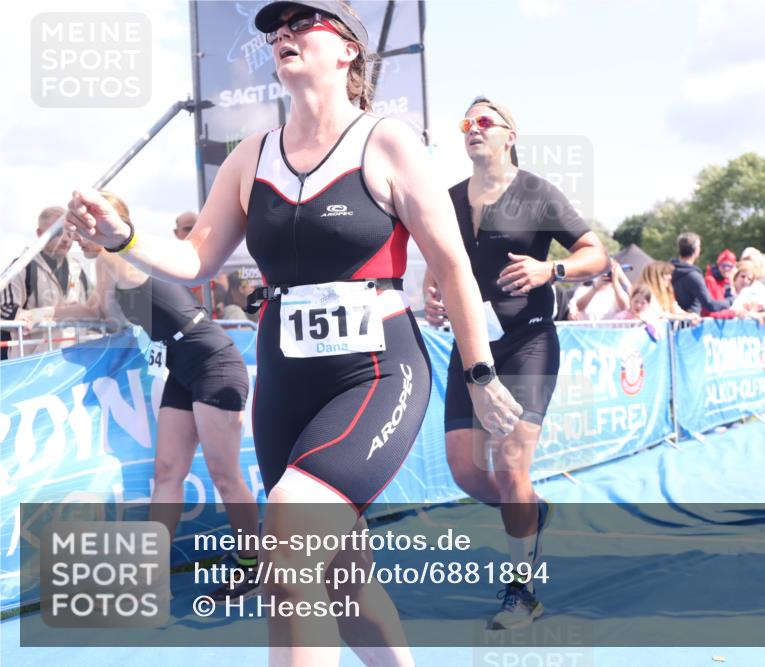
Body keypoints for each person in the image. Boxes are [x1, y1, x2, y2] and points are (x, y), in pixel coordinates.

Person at [66, 3, 522, 665]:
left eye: (301, 24)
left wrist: (479, 373)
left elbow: (452, 264)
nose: (283, 35)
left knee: (287, 538)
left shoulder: (388, 141)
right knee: (342, 582)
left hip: (374, 374)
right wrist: (124, 238)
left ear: (347, 53)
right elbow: (197, 259)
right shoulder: (251, 156)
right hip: (285, 383)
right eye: (275, 30)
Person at [423, 96, 608, 630]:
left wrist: (552, 271)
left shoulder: (538, 192)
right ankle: (531, 508)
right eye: (467, 123)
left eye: (485, 122)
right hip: (472, 348)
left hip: (527, 343)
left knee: (510, 466)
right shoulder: (448, 198)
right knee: (466, 473)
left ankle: (522, 592)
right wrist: (431, 291)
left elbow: (596, 254)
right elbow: (439, 263)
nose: (473, 129)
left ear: (510, 134)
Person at [58, 192, 260, 600]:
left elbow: (101, 312)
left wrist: (41, 316)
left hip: (213, 363)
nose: (76, 238)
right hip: (182, 370)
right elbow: (105, 312)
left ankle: (251, 565)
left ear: (104, 222)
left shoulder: (115, 257)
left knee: (225, 475)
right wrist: (41, 316)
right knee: (167, 473)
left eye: (80, 228)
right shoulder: (113, 260)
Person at [1, 206, 91, 358]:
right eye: (57, 232)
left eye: (69, 232)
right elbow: (4, 308)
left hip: (72, 365)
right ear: (40, 234)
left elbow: (89, 311)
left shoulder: (78, 269)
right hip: (32, 367)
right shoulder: (21, 266)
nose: (65, 238)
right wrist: (27, 316)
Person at [671, 232, 732, 315]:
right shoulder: (693, 276)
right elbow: (710, 304)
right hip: (691, 322)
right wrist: (730, 301)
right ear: (696, 250)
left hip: (674, 321)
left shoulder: (669, 270)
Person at [565, 258, 630, 320]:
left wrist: (615, 280)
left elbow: (625, 307)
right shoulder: (582, 290)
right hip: (587, 330)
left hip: (610, 331)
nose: (606, 274)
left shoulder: (618, 293)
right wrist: (596, 288)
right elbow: (579, 307)